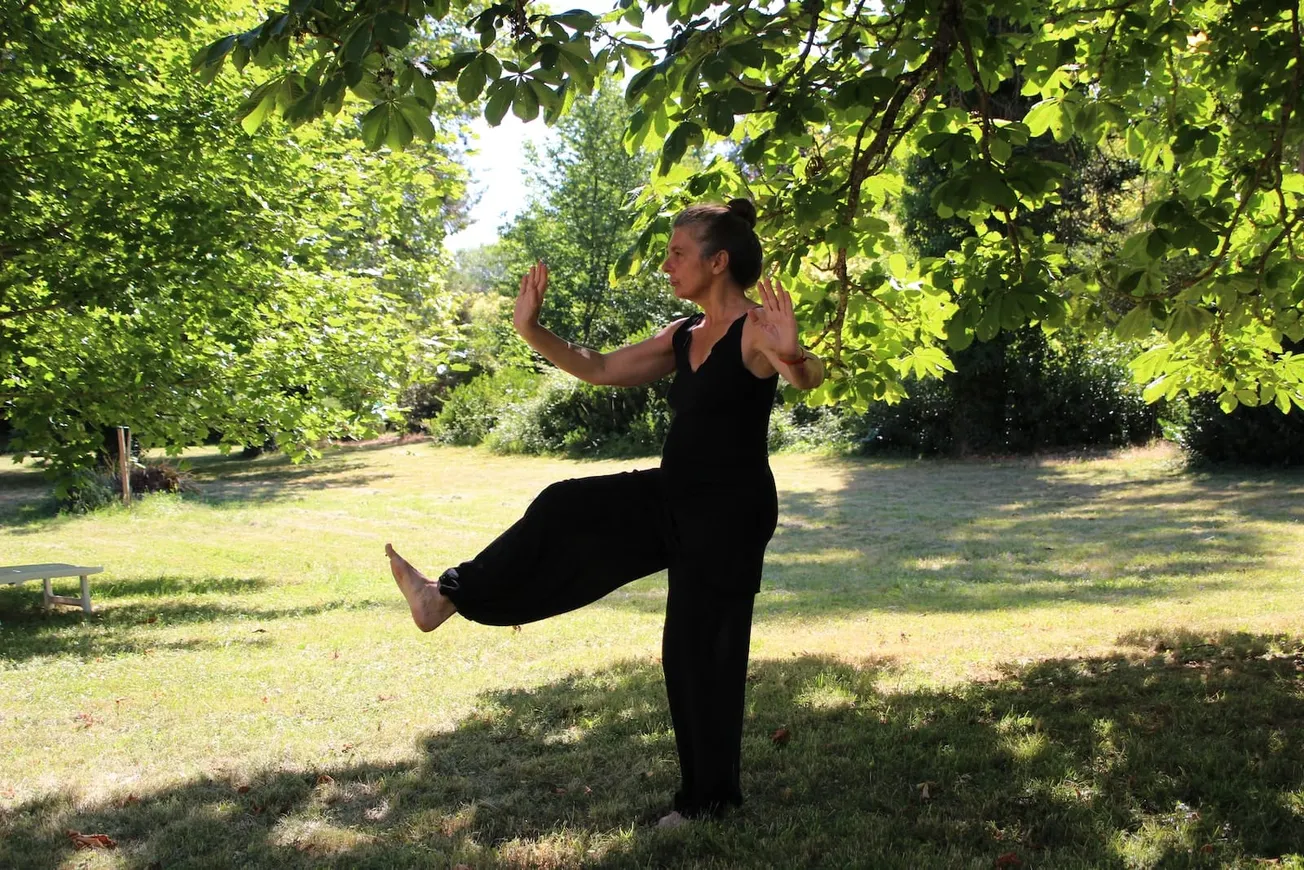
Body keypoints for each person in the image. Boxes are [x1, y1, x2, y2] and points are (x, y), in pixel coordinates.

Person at [385, 197, 825, 826]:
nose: (667, 265)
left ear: (718, 261)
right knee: (566, 505)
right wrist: (531, 330)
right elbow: (599, 367)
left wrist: (796, 356)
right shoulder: (683, 335)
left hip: (729, 511)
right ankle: (445, 597)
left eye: (678, 253)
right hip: (674, 495)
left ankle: (709, 802)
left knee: (698, 651)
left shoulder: (757, 328)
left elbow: (805, 377)